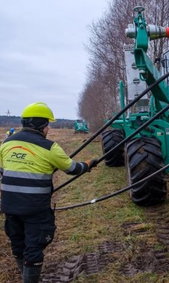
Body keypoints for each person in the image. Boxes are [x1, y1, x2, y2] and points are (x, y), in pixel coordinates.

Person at [0, 102, 98, 282]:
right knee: (34, 247)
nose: (48, 128)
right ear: (40, 125)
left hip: (9, 206)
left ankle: (25, 276)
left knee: (17, 244)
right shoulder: (49, 147)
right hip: (35, 208)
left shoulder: (6, 143)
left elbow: (3, 170)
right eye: (47, 124)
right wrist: (89, 165)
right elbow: (72, 168)